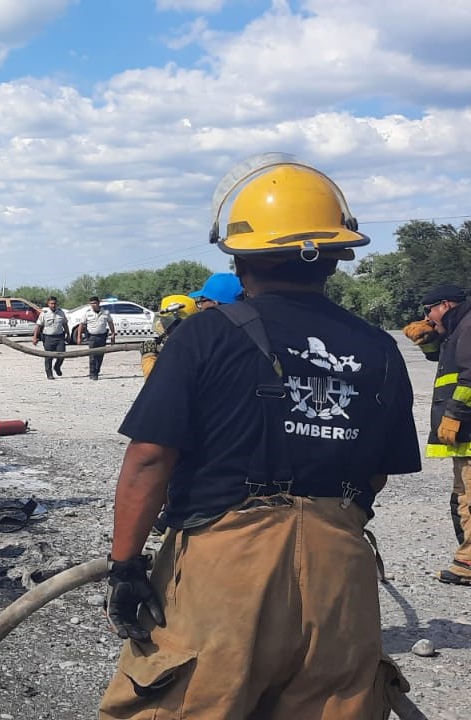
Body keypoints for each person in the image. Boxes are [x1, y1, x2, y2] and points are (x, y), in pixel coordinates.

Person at [99, 154, 420, 718]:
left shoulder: (203, 336)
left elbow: (150, 458)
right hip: (339, 574)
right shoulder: (381, 348)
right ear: (336, 257)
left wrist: (125, 566)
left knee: (189, 701)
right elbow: (377, 471)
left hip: (225, 569)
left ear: (239, 255)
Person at [405, 283, 471, 586]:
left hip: (466, 427)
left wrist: (454, 416)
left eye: (429, 311)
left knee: (468, 498)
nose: (427, 318)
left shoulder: (468, 326)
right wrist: (428, 341)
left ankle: (468, 562)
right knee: (461, 496)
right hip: (464, 432)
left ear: (444, 305)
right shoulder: (458, 328)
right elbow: (442, 362)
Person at [139, 294, 197, 379]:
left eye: (165, 321)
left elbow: (155, 382)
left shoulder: (182, 350)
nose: (161, 325)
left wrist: (148, 357)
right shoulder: (202, 343)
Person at [32, 296, 72, 379]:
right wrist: (35, 337)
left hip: (60, 337)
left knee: (62, 354)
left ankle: (57, 367)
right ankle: (49, 373)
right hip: (48, 338)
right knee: (48, 356)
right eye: (51, 303)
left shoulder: (61, 312)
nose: (53, 305)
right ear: (48, 304)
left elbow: (65, 324)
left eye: (54, 303)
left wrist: (68, 335)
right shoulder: (44, 313)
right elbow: (38, 326)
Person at [78, 296, 114, 380]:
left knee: (100, 355)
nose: (93, 305)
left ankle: (97, 370)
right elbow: (81, 325)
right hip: (92, 337)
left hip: (102, 337)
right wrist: (79, 336)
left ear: (98, 303)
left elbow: (110, 323)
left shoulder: (105, 312)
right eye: (91, 304)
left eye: (94, 303)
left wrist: (113, 334)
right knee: (92, 356)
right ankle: (92, 373)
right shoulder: (87, 313)